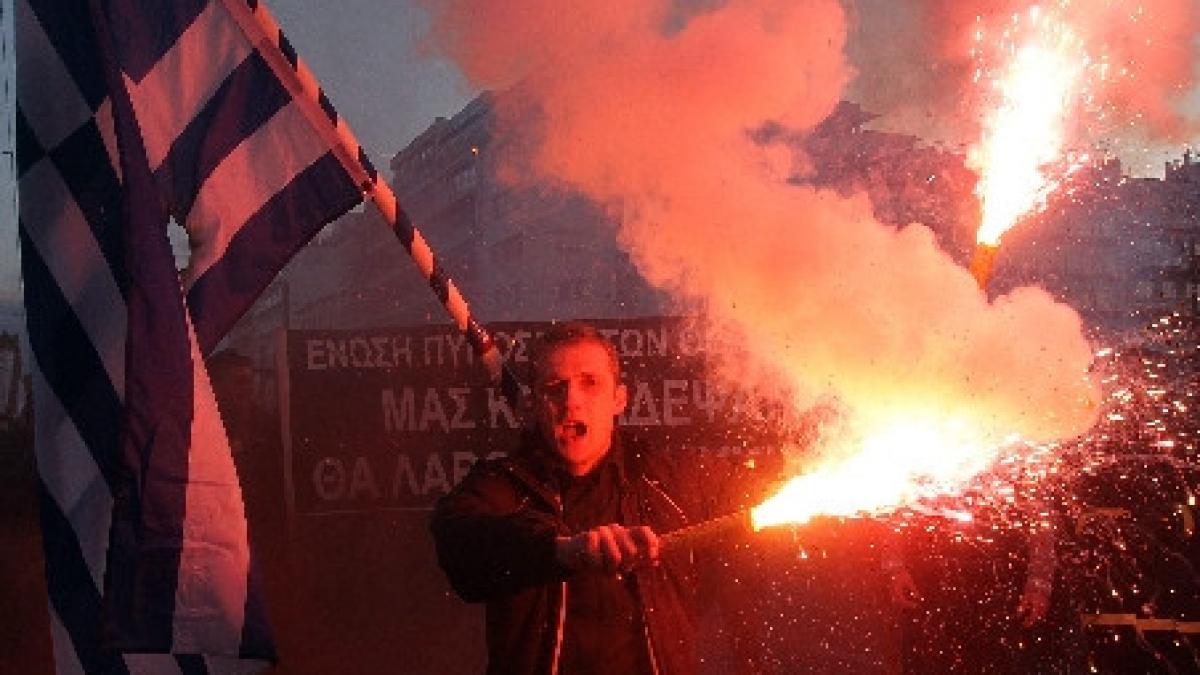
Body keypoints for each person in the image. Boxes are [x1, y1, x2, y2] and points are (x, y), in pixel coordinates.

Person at [431, 322, 729, 675]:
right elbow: (458, 539)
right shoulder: (504, 484)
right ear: (535, 404)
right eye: (555, 387)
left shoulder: (673, 481)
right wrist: (560, 550)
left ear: (619, 399)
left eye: (590, 383)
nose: (571, 401)